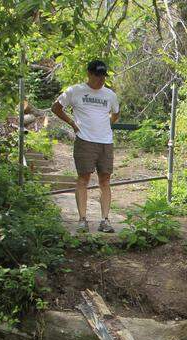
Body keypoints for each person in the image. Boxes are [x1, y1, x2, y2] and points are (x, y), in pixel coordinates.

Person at [52, 60, 120, 232]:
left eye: (103, 76)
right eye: (97, 75)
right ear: (89, 74)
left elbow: (116, 114)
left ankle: (105, 220)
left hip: (106, 142)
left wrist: (106, 126)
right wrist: (73, 124)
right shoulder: (75, 91)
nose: (101, 79)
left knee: (105, 180)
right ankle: (82, 219)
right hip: (85, 141)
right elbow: (56, 108)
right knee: (83, 179)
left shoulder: (110, 95)